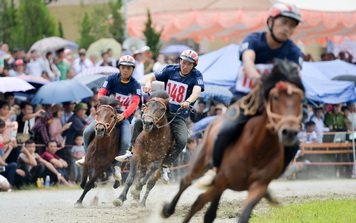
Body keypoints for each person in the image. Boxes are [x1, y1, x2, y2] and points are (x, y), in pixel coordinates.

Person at [195, 2, 304, 189]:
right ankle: (215, 169)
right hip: (245, 99)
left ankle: (272, 174)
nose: (287, 28)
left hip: (272, 104)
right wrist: (254, 75)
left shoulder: (293, 51)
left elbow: (295, 72)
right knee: (226, 129)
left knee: (293, 144)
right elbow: (248, 59)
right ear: (271, 21)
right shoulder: (253, 40)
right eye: (284, 22)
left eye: (292, 25)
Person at [116, 49, 204, 183]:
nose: (185, 66)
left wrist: (188, 101)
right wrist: (148, 84)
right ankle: (131, 151)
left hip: (178, 115)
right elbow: (150, 77)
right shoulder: (170, 70)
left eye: (189, 64)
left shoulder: (197, 76)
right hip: (163, 110)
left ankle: (165, 165)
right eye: (183, 62)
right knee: (139, 122)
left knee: (182, 140)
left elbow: (196, 92)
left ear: (193, 66)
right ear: (180, 61)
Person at [76, 55, 142, 181]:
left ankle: (117, 166)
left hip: (123, 119)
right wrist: (103, 105)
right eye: (123, 67)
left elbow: (135, 103)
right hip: (107, 116)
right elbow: (101, 93)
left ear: (132, 70)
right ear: (119, 68)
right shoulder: (111, 79)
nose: (125, 70)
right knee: (87, 132)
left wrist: (124, 115)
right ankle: (86, 156)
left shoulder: (136, 85)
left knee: (125, 141)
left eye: (128, 68)